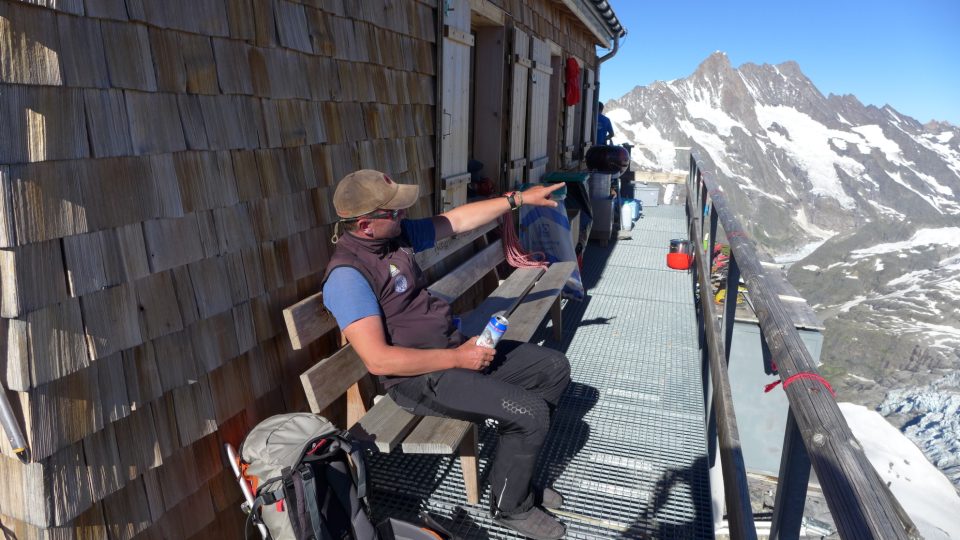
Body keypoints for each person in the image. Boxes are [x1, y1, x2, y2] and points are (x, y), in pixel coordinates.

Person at [321, 170, 571, 540]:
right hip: (419, 379)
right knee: (529, 413)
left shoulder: (396, 238)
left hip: (454, 348)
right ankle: (510, 507)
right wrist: (458, 359)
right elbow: (379, 360)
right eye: (394, 211)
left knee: (552, 368)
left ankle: (514, 479)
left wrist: (518, 200)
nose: (404, 214)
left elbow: (456, 220)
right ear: (365, 224)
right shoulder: (348, 276)